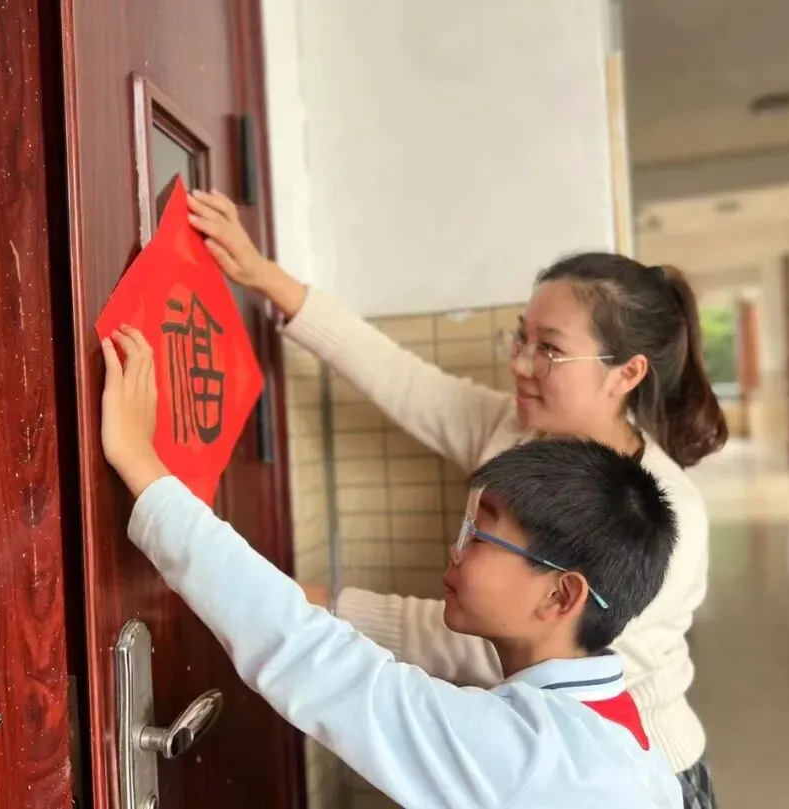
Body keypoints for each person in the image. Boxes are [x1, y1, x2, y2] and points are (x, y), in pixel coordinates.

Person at [187, 189, 727, 809]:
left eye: (549, 349)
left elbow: (475, 647)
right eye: (520, 339)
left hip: (641, 772)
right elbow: (398, 377)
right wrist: (264, 276)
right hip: (528, 740)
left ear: (627, 372)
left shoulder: (667, 514)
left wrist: (305, 600)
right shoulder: (516, 430)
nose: (521, 365)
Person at [99, 324, 682, 809]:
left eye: (478, 535)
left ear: (560, 596)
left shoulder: (535, 757)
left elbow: (314, 660)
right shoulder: (613, 736)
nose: (455, 550)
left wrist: (142, 466)